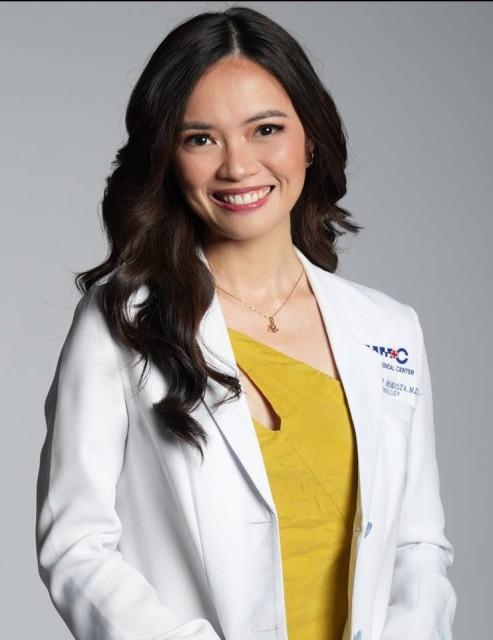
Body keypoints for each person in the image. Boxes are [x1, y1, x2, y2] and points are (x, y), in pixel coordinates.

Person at [35, 6, 457, 640]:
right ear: (168, 157)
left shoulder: (390, 329)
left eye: (265, 129)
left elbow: (418, 545)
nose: (237, 166)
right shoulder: (121, 323)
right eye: (200, 138)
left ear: (310, 139)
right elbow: (76, 544)